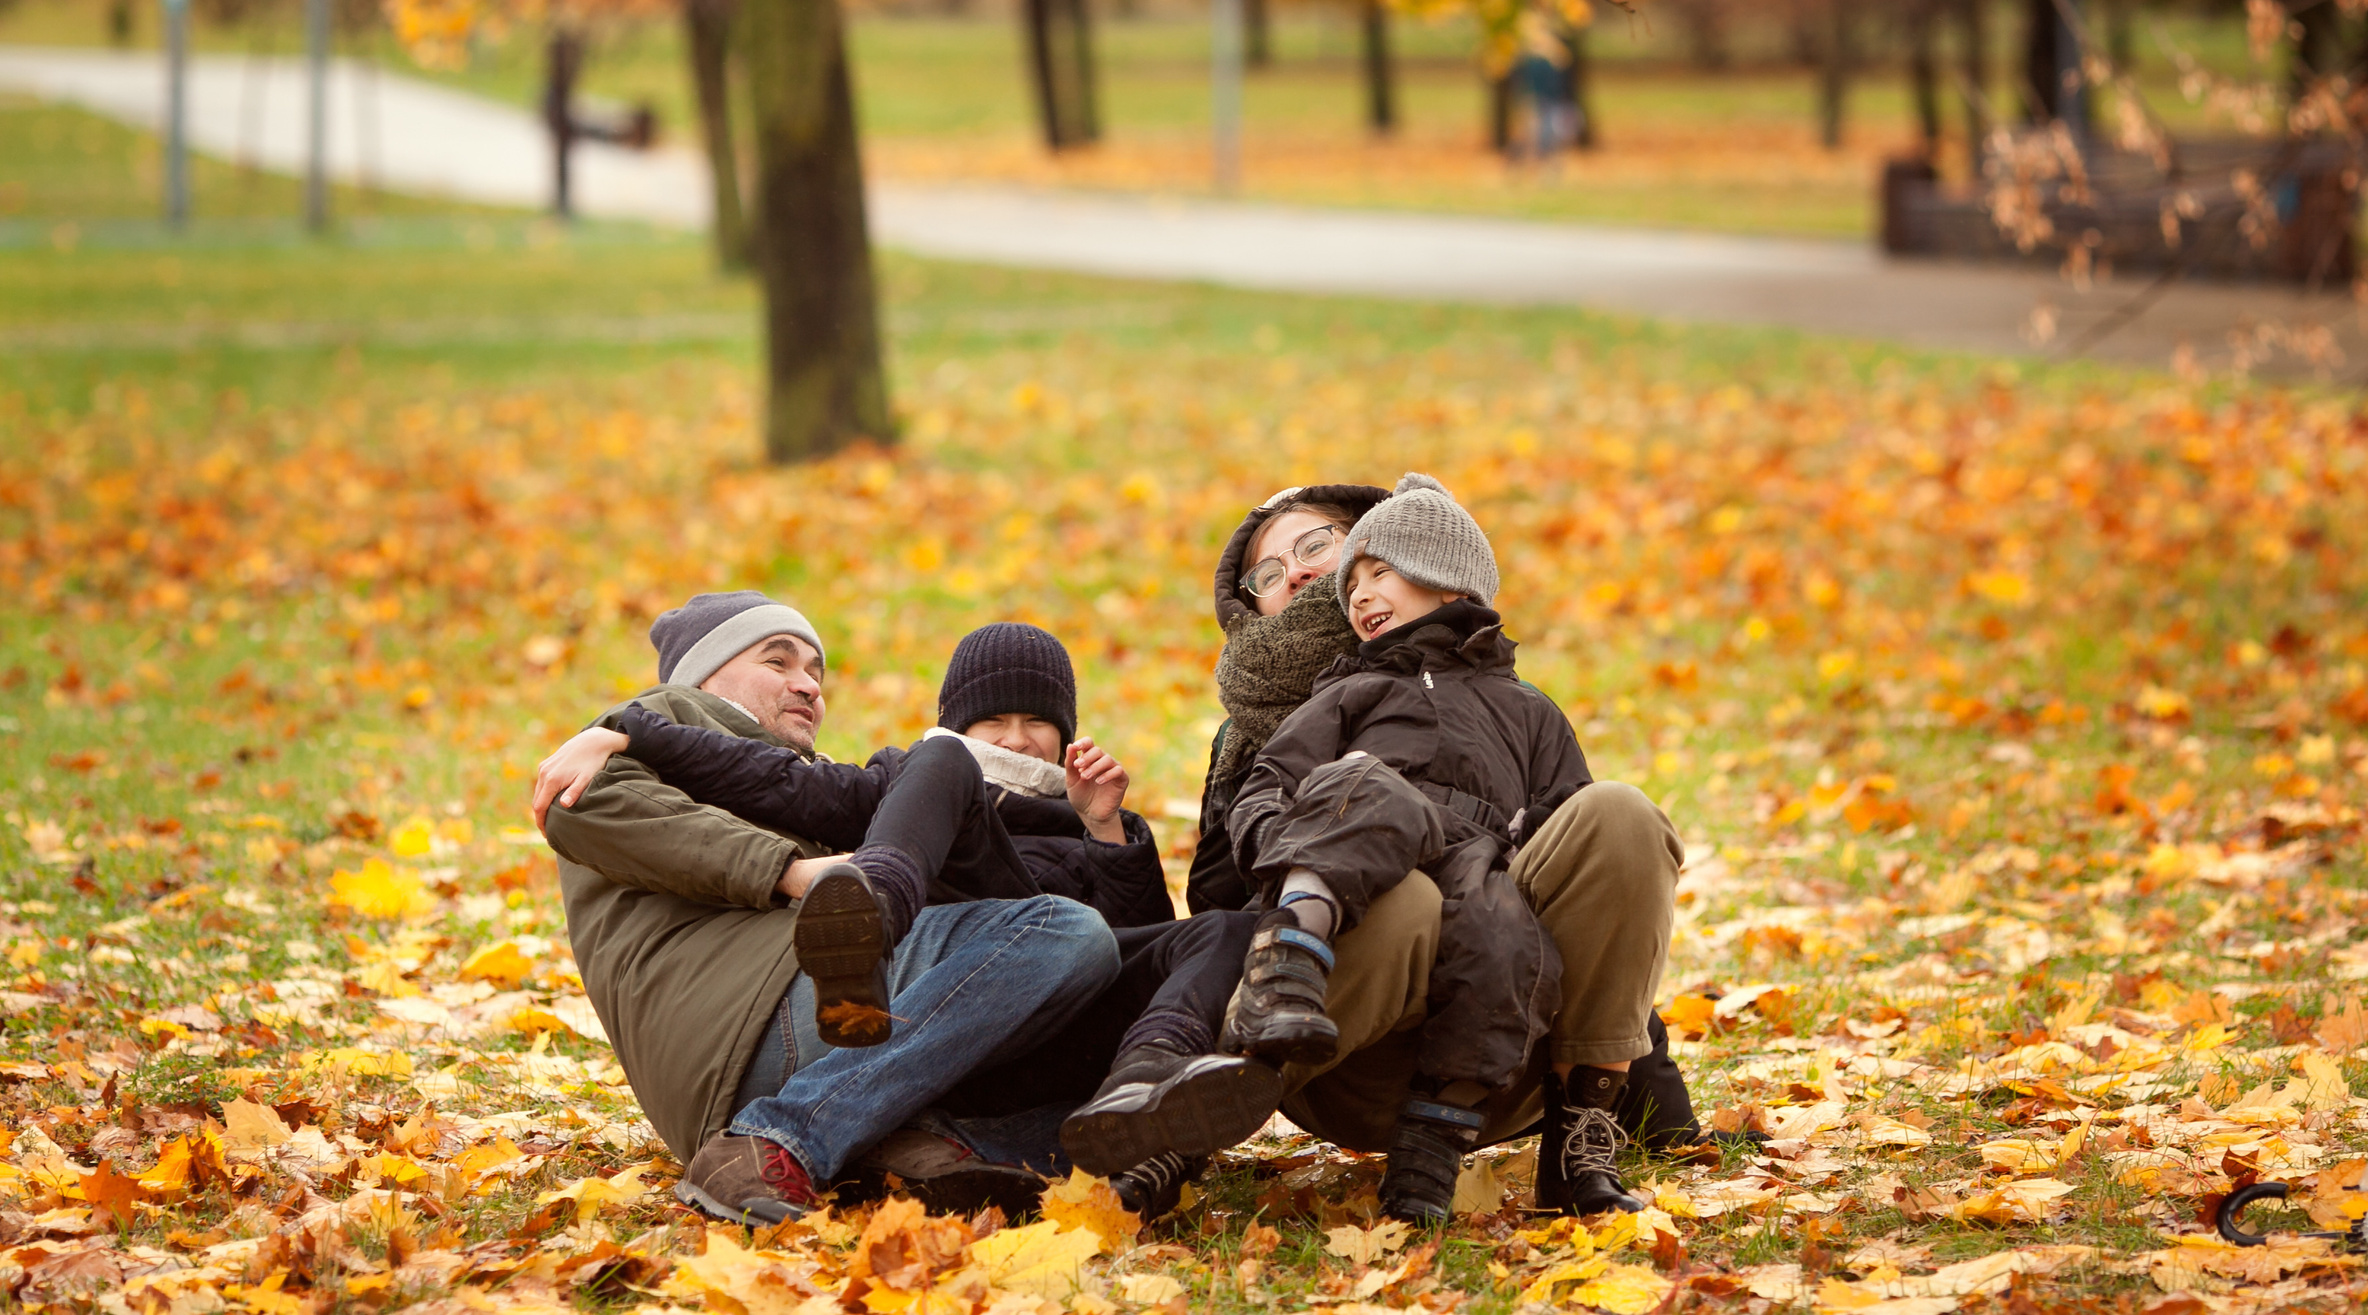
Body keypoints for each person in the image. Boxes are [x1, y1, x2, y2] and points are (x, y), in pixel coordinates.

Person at [537, 617, 1276, 1207]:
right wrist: (634, 728)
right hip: (815, 1009)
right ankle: (796, 1117)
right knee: (1062, 925)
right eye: (779, 661)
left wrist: (1107, 834)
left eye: (816, 671)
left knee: (1218, 938)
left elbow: (1131, 946)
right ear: (704, 674)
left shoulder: (1081, 820)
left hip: (961, 1019)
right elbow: (774, 787)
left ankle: (1120, 1112)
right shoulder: (895, 776)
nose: (807, 685)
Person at [1192, 484, 1700, 1206]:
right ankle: (1202, 1106)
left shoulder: (1522, 708)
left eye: (1314, 548)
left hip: (1502, 1027)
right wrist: (1322, 845)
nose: (1299, 574)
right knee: (1408, 890)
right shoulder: (1298, 716)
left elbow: (1599, 902)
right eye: (1266, 573)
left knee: (1619, 811)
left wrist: (1666, 1113)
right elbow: (1216, 907)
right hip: (1331, 1035)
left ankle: (1582, 1128)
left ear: (1437, 571)